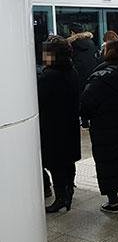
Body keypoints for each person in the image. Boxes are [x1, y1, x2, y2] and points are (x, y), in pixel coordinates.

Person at [80, 40, 118, 213]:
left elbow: (87, 101)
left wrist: (86, 116)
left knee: (107, 160)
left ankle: (112, 201)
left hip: (104, 126)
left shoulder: (101, 75)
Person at [38, 37, 81, 213]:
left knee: (55, 163)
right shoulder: (71, 71)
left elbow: (41, 100)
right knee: (67, 160)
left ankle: (61, 197)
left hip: (52, 125)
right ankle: (69, 191)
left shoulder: (49, 76)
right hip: (69, 122)